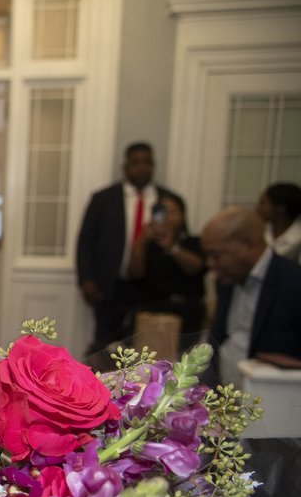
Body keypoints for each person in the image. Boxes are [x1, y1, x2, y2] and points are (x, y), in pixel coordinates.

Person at [76, 142, 178, 355]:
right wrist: (86, 279)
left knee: (146, 348)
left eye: (147, 163)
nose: (142, 168)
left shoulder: (167, 200)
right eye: (136, 163)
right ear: (125, 167)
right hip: (111, 285)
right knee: (105, 345)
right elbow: (85, 242)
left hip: (151, 288)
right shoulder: (104, 199)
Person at [202, 206, 301, 386]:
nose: (210, 264)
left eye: (216, 255)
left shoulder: (292, 282)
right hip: (225, 399)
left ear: (250, 245)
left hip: (273, 400)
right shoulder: (227, 280)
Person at [126, 191, 206, 346]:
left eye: (174, 212)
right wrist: (141, 242)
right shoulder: (149, 246)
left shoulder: (193, 242)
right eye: (164, 211)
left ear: (182, 216)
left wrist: (172, 248)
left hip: (187, 314)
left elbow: (196, 268)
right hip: (153, 313)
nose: (168, 217)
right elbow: (135, 273)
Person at [257, 182, 301, 264]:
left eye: (263, 203)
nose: (258, 208)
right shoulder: (259, 230)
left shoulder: (298, 239)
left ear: (281, 208)